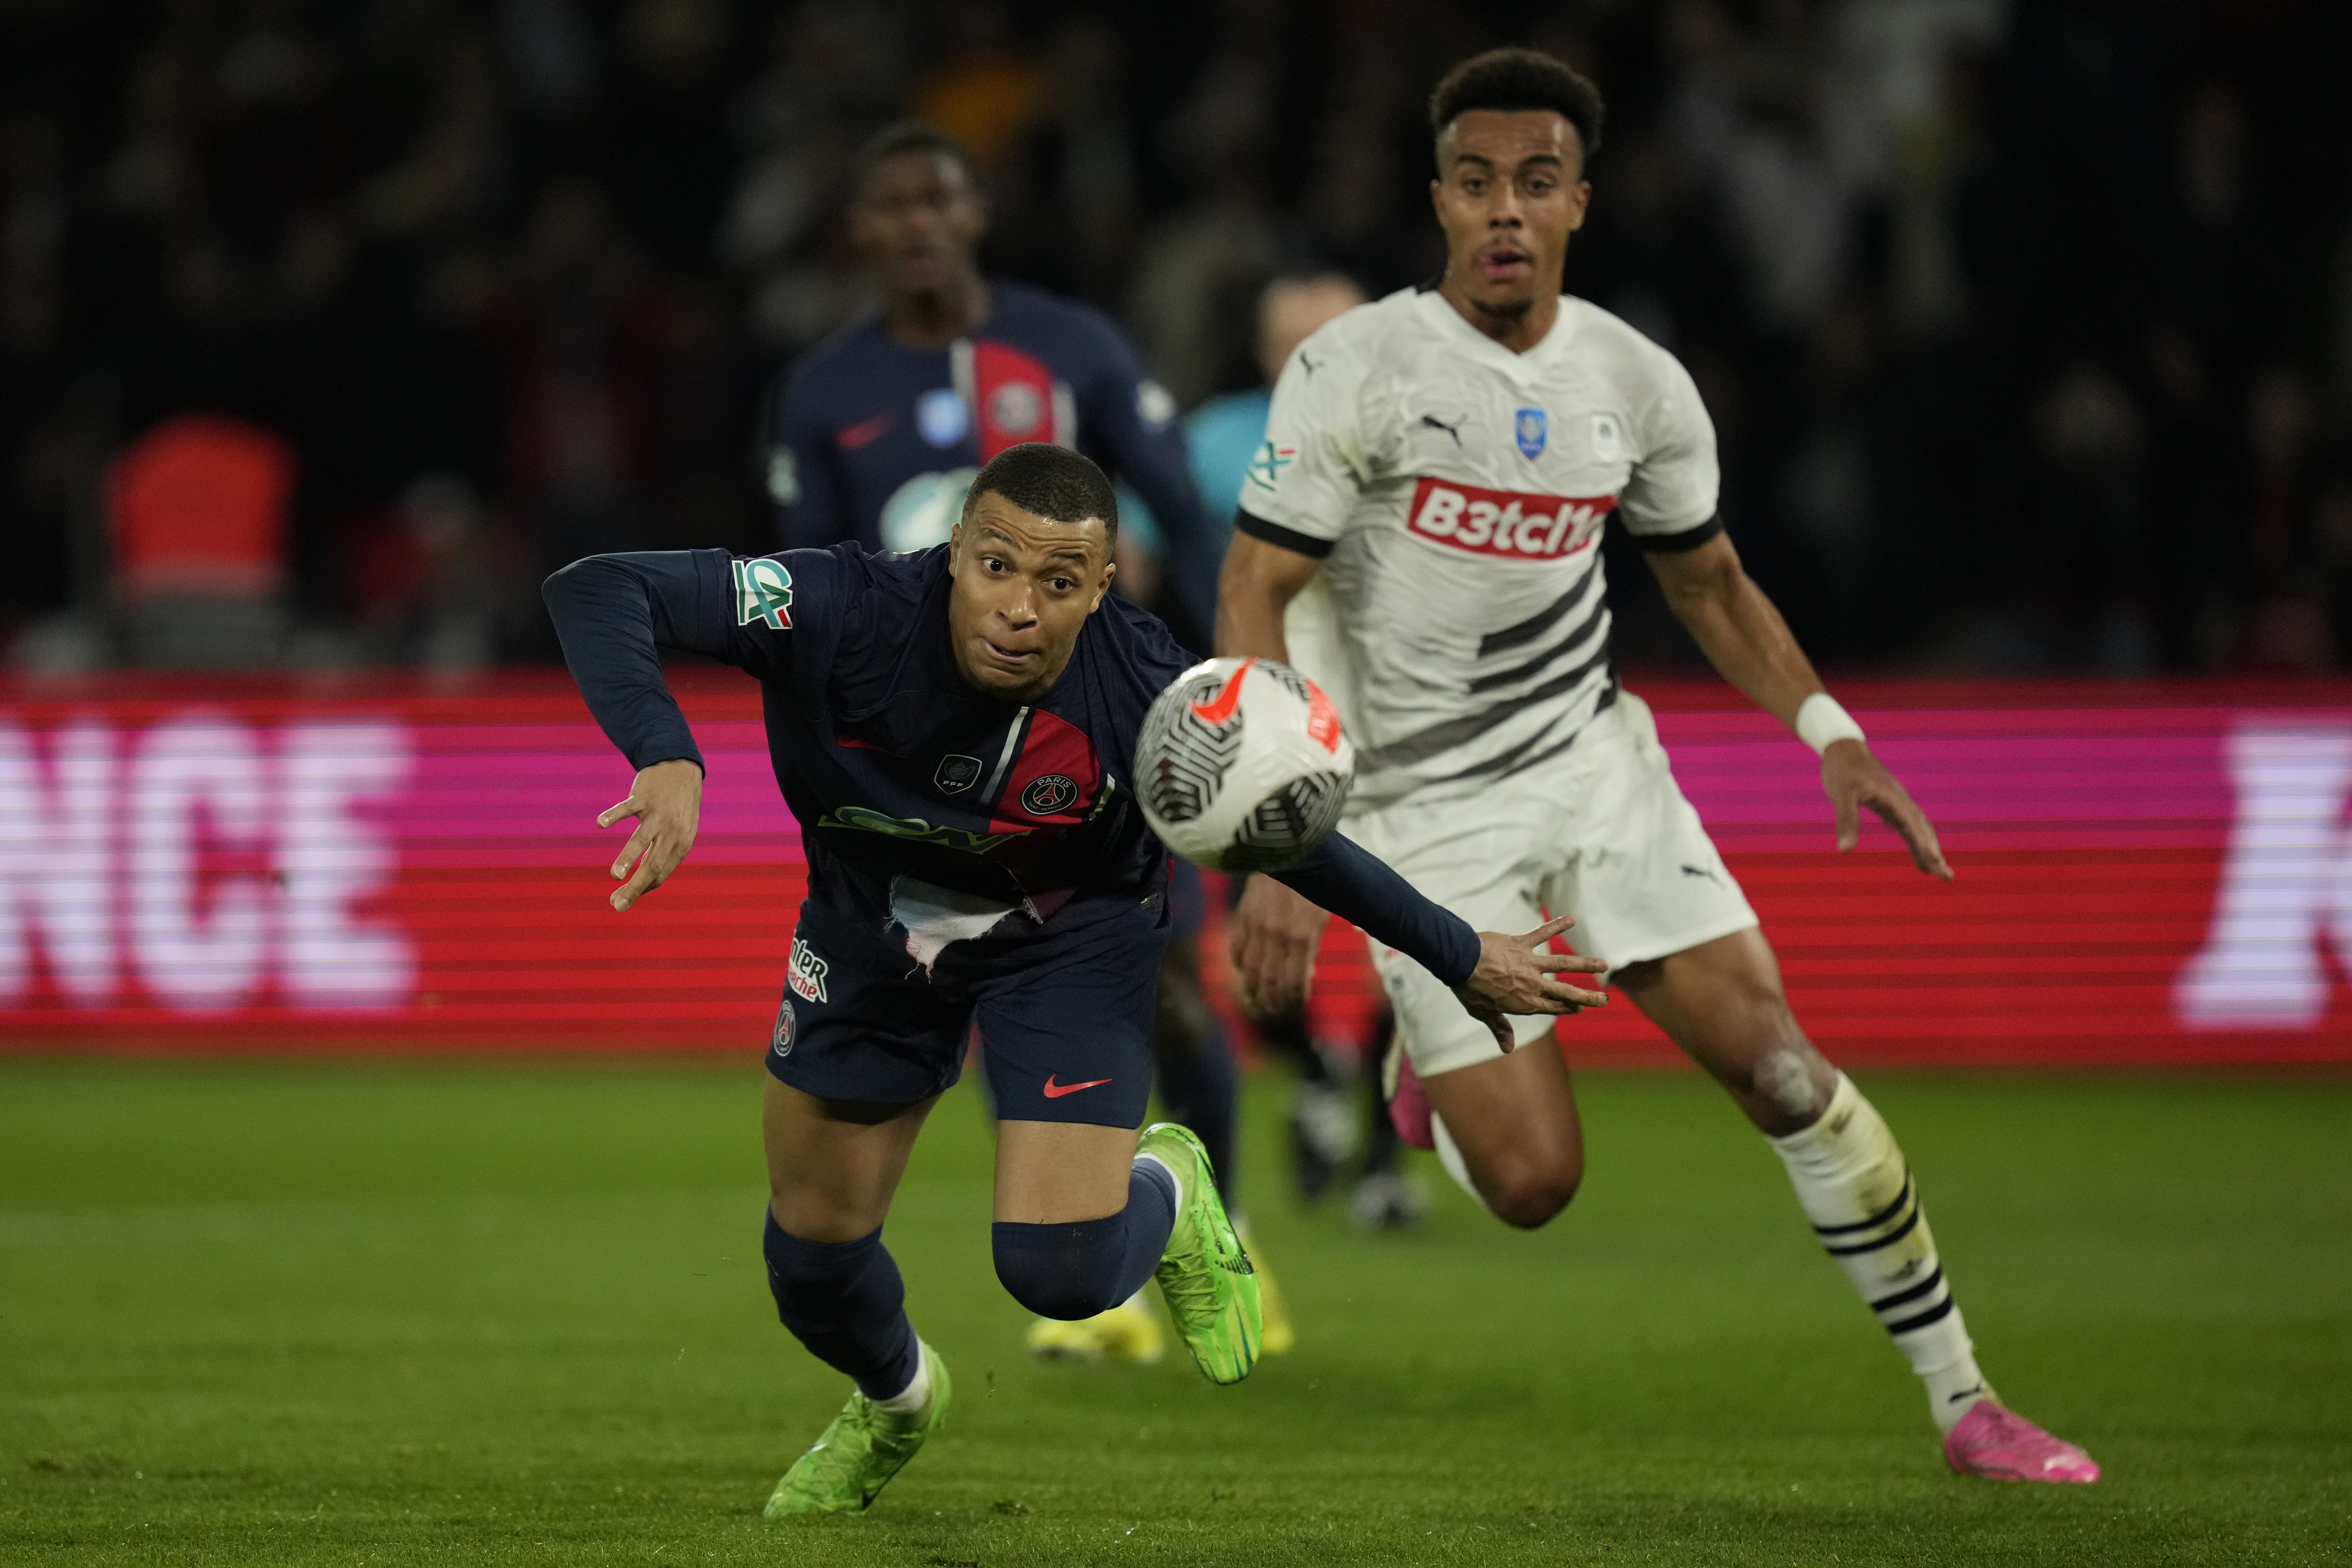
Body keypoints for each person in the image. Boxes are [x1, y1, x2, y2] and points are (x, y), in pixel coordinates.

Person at [1215, 48, 2100, 1486]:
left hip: (1596, 768)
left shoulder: (1636, 381)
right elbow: (1256, 589)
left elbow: (1712, 584)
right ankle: (1413, 1051)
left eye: (1539, 182)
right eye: (1480, 182)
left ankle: (1965, 1402)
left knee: (1785, 1074)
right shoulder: (1355, 368)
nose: (1508, 210)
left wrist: (1833, 732)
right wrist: (1287, 851)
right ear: (1440, 198)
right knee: (1534, 1187)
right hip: (1416, 811)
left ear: (1581, 202)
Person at [541, 441, 1607, 1515]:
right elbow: (599, 586)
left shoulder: (1150, 688)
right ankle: (899, 1402)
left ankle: (1172, 1187)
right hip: (872, 931)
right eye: (998, 566)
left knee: (1060, 1274)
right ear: (954, 552)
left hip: (1069, 939)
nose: (1020, 607)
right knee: (813, 1256)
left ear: (1103, 588)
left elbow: (1295, 831)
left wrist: (1459, 953)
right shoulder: (841, 604)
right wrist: (664, 752)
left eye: (1059, 583)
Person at [765, 120, 1252, 1362]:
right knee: (994, 974)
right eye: (893, 205)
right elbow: (810, 589)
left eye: (942, 199)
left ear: (977, 215)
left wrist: (1219, 702)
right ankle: (1103, 1268)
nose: (920, 222)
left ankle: (1219, 1231)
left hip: (1103, 735)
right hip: (933, 757)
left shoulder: (1072, 347)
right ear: (863, 230)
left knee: (1176, 993)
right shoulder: (827, 392)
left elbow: (1187, 517)